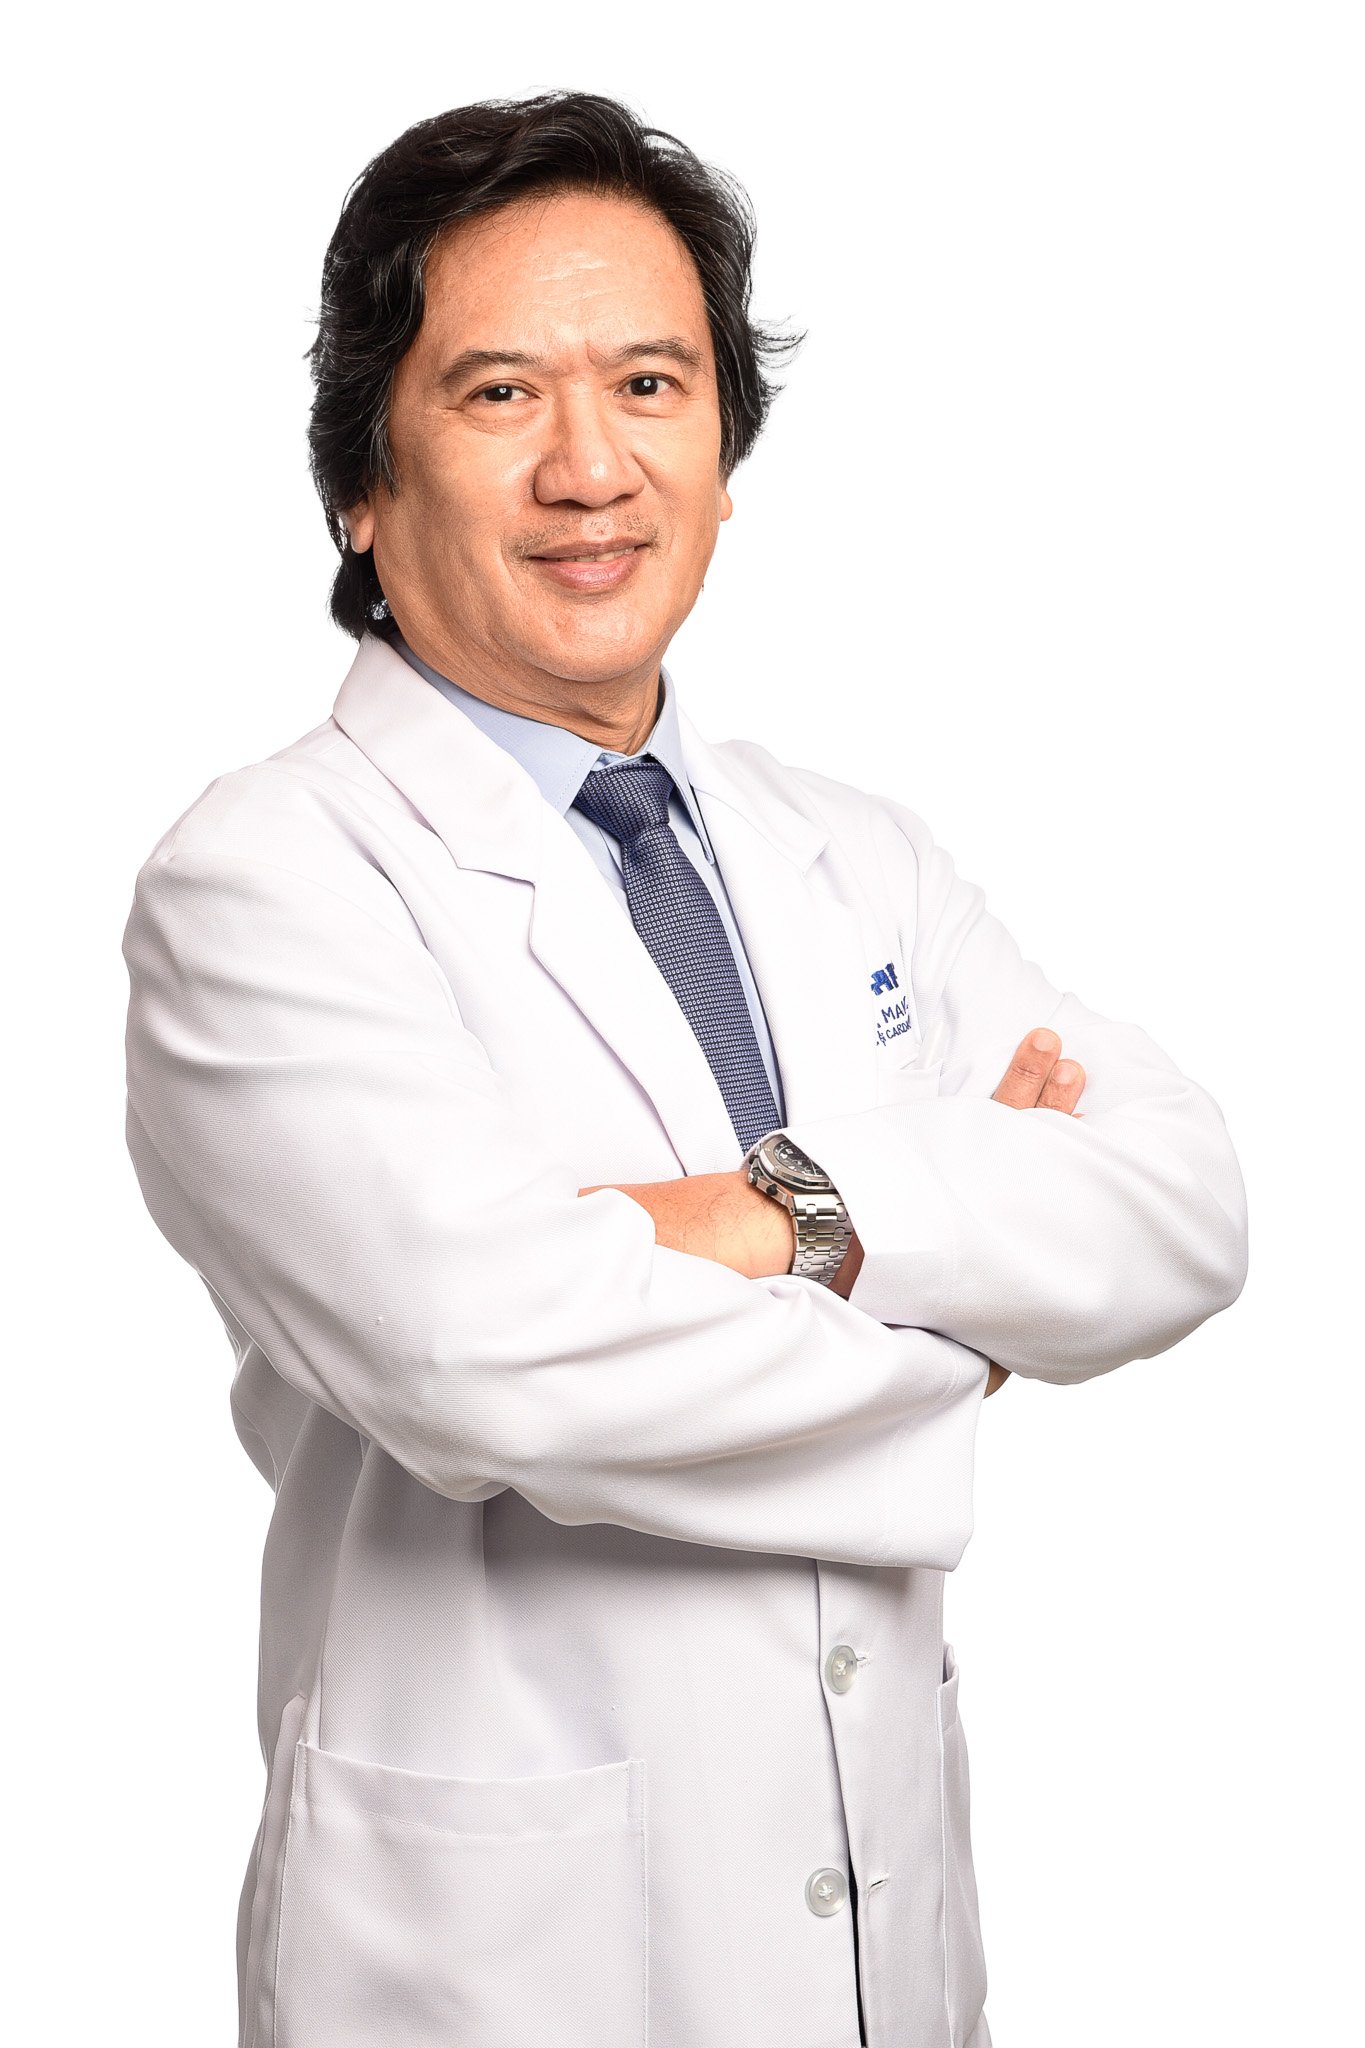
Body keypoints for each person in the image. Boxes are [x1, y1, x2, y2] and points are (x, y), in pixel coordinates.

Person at [122, 91, 1248, 2048]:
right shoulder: (262, 881)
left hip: (886, 1940)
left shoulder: (854, 849)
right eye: (497, 394)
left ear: (724, 456)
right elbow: (489, 1360)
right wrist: (968, 1299)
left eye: (650, 384)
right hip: (495, 1968)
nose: (590, 468)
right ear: (359, 481)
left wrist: (777, 1217)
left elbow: (1178, 1202)